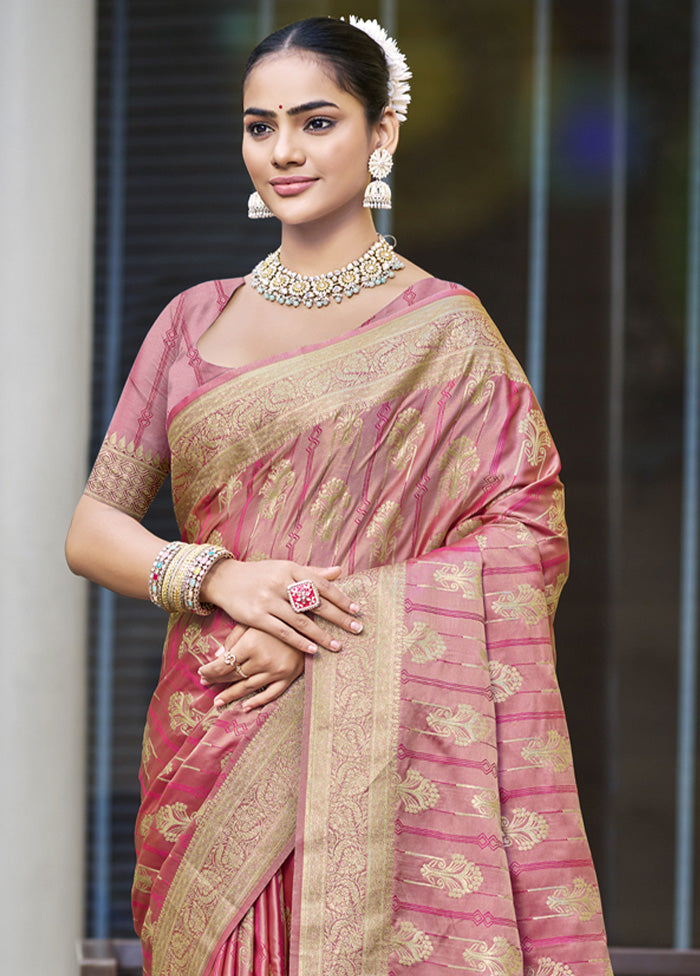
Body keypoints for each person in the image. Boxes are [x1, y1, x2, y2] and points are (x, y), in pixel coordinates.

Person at [66, 15, 611, 976]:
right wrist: (222, 579)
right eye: (258, 124)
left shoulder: (444, 331)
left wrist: (312, 619)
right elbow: (93, 526)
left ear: (382, 134)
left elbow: (526, 531)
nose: (282, 151)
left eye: (317, 122)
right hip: (212, 730)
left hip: (363, 752)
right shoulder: (193, 320)